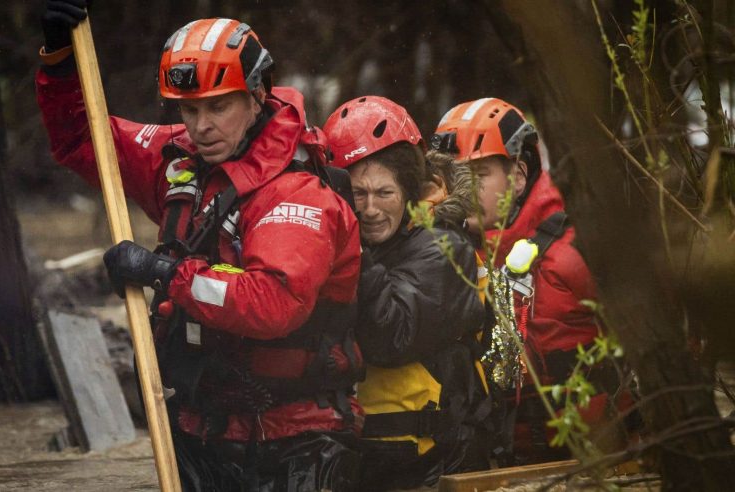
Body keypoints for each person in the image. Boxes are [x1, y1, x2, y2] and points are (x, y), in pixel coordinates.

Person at [37, 4, 365, 490]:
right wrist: (59, 59)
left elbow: (274, 304)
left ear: (257, 96)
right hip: (200, 430)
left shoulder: (297, 193)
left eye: (218, 106)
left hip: (296, 442)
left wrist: (165, 275)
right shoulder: (180, 160)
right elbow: (84, 139)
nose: (201, 126)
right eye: (189, 109)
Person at [431, 98, 630, 463]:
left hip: (598, 460)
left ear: (519, 176)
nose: (461, 192)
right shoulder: (446, 254)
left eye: (477, 176)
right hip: (500, 464)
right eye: (451, 178)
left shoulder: (577, 249)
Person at [323, 96, 489, 490]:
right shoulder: (360, 244)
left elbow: (391, 336)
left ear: (411, 190)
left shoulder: (445, 248)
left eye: (384, 193)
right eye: (357, 195)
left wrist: (350, 247)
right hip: (363, 459)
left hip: (430, 465)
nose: (369, 209)